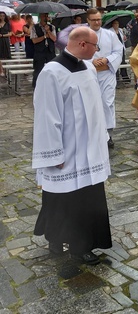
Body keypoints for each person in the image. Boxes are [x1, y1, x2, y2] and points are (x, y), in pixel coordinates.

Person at [32, 27, 112, 265]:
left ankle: (82, 244)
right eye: (95, 46)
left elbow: (95, 108)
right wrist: (54, 153)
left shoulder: (88, 67)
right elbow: (47, 116)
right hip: (67, 151)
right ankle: (62, 240)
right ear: (83, 44)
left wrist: (102, 138)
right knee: (60, 198)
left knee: (88, 199)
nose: (97, 51)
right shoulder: (52, 72)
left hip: (90, 150)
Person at [87, 8, 123, 149]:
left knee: (107, 103)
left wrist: (107, 59)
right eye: (94, 20)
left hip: (107, 74)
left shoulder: (110, 35)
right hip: (90, 75)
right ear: (88, 20)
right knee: (92, 104)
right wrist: (91, 62)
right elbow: (76, 53)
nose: (97, 22)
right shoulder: (83, 35)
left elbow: (118, 51)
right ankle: (94, 133)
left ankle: (108, 134)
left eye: (99, 19)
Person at [31, 13, 56, 88]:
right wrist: (44, 36)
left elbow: (54, 39)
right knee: (38, 69)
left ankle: (52, 84)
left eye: (46, 16)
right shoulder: (34, 27)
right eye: (44, 16)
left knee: (53, 68)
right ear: (40, 17)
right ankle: (36, 86)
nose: (45, 17)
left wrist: (48, 31)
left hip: (50, 50)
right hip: (39, 51)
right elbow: (34, 40)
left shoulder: (52, 27)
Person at [108, 19, 130, 83]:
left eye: (117, 24)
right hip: (114, 50)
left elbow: (123, 40)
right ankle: (116, 78)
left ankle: (125, 77)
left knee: (123, 62)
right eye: (115, 24)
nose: (116, 25)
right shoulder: (110, 31)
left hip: (121, 49)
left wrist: (124, 38)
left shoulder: (120, 30)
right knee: (115, 64)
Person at [0, 11, 11, 76]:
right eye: (1, 15)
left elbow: (10, 33)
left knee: (6, 55)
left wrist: (3, 35)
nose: (2, 17)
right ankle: (1, 70)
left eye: (3, 16)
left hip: (5, 40)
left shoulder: (7, 24)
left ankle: (6, 71)